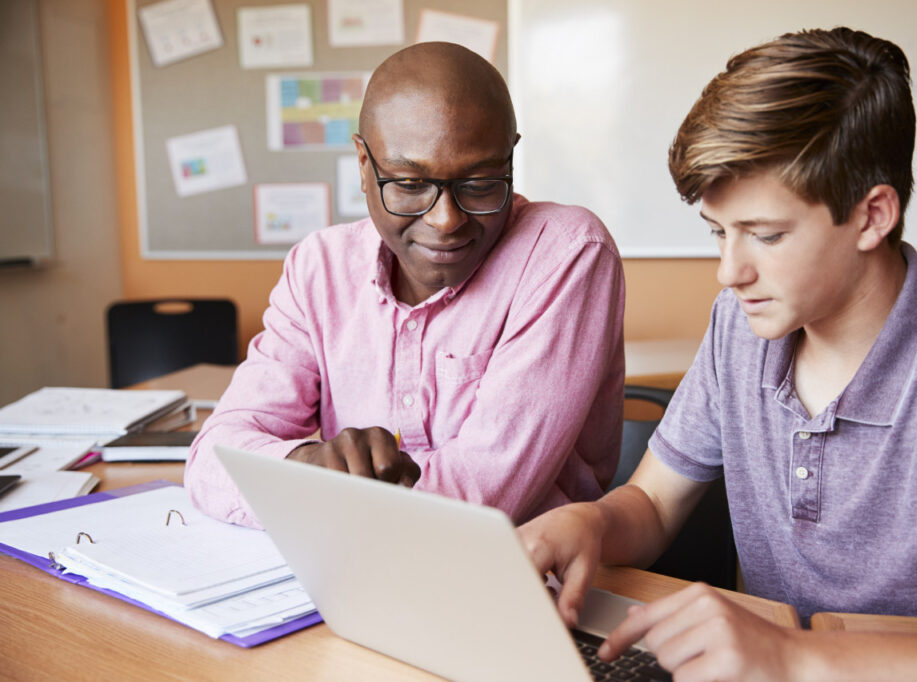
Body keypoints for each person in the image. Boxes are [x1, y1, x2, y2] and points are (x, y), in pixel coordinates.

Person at [520, 27, 917, 680]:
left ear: (873, 215)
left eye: (765, 235)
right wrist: (590, 523)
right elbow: (655, 504)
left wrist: (795, 656)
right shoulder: (739, 328)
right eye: (718, 233)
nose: (729, 272)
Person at [186, 42, 625, 528]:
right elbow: (213, 458)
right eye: (411, 185)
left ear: (509, 159)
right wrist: (305, 465)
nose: (446, 219)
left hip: (523, 569)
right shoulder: (319, 268)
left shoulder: (566, 253)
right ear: (363, 164)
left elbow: (479, 502)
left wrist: (304, 494)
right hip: (348, 562)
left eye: (480, 183)